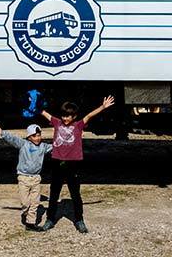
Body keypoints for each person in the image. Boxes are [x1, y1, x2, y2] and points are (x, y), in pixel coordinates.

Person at [38, 95, 115, 233]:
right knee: (54, 193)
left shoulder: (78, 126)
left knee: (75, 194)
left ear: (74, 116)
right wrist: (32, 103)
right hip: (57, 161)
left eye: (68, 116)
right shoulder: (56, 123)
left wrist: (103, 107)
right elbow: (44, 113)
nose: (65, 118)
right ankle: (50, 219)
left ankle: (79, 220)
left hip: (73, 164)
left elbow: (89, 115)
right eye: (63, 115)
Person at [0, 123, 53, 230]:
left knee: (35, 202)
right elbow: (13, 139)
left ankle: (30, 224)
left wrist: (69, 140)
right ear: (29, 137)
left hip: (36, 178)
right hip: (23, 178)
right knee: (25, 203)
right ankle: (25, 213)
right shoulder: (24, 144)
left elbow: (57, 146)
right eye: (34, 136)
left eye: (39, 135)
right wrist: (2, 133)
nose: (37, 138)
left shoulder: (43, 147)